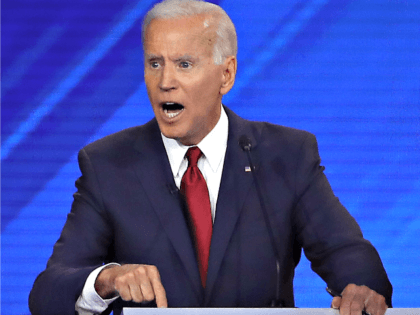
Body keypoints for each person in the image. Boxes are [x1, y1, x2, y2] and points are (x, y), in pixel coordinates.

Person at [29, 0, 392, 314]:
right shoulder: (108, 164)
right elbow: (48, 293)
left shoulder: (287, 155)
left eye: (184, 64)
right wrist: (107, 278)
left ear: (227, 74)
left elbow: (349, 256)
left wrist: (360, 289)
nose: (165, 81)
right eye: (155, 63)